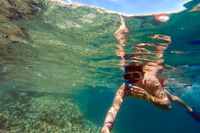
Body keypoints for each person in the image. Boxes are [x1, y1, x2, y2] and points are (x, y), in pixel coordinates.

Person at [101, 34, 200, 133]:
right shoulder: (124, 89)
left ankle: (189, 108)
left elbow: (167, 106)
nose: (132, 81)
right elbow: (114, 108)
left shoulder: (152, 82)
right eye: (127, 77)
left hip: (151, 91)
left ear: (143, 74)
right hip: (149, 92)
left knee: (171, 98)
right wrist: (107, 126)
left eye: (135, 76)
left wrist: (147, 97)